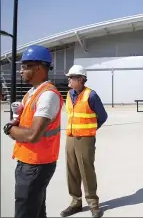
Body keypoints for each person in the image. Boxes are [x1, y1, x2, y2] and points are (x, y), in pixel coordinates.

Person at [3, 45, 64, 218]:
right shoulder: (31, 93)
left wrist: (10, 129)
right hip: (28, 161)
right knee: (36, 211)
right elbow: (22, 121)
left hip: (36, 164)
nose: (21, 71)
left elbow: (32, 135)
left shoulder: (48, 95)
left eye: (24, 66)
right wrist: (15, 122)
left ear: (38, 67)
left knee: (25, 212)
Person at [60, 65, 108, 218]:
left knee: (86, 171)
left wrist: (90, 129)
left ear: (80, 79)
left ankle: (93, 204)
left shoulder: (91, 95)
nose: (69, 80)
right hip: (71, 137)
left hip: (85, 139)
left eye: (71, 77)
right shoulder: (69, 94)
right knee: (72, 170)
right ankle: (75, 202)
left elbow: (103, 116)